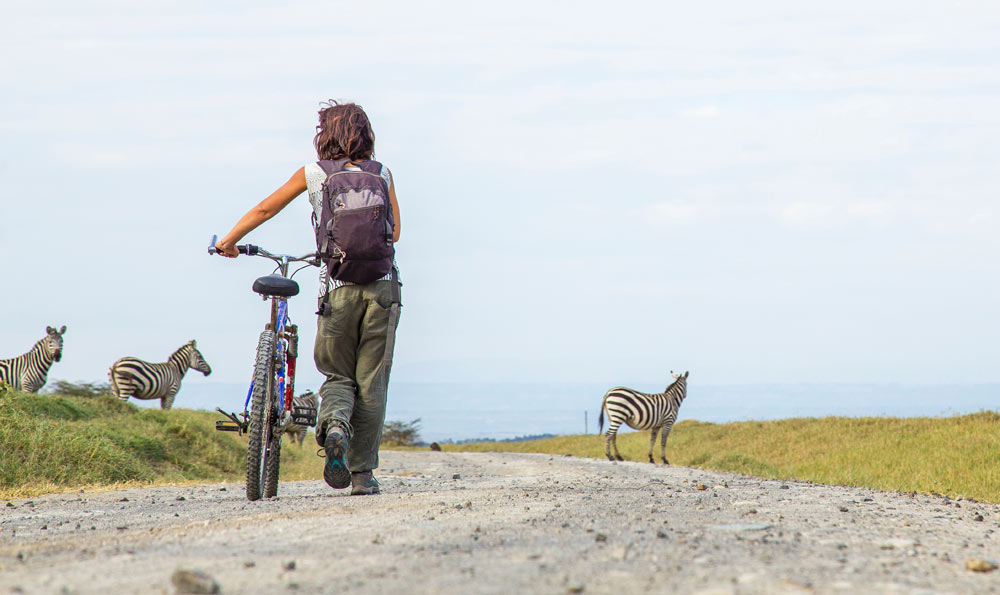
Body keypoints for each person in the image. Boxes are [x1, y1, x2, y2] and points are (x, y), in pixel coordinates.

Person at [215, 101, 401, 496]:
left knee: (337, 374)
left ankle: (334, 426)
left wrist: (230, 241)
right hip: (383, 288)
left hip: (336, 288)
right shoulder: (382, 173)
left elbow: (266, 208)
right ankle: (363, 475)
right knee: (372, 383)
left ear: (324, 135)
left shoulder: (314, 173)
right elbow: (395, 232)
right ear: (366, 134)